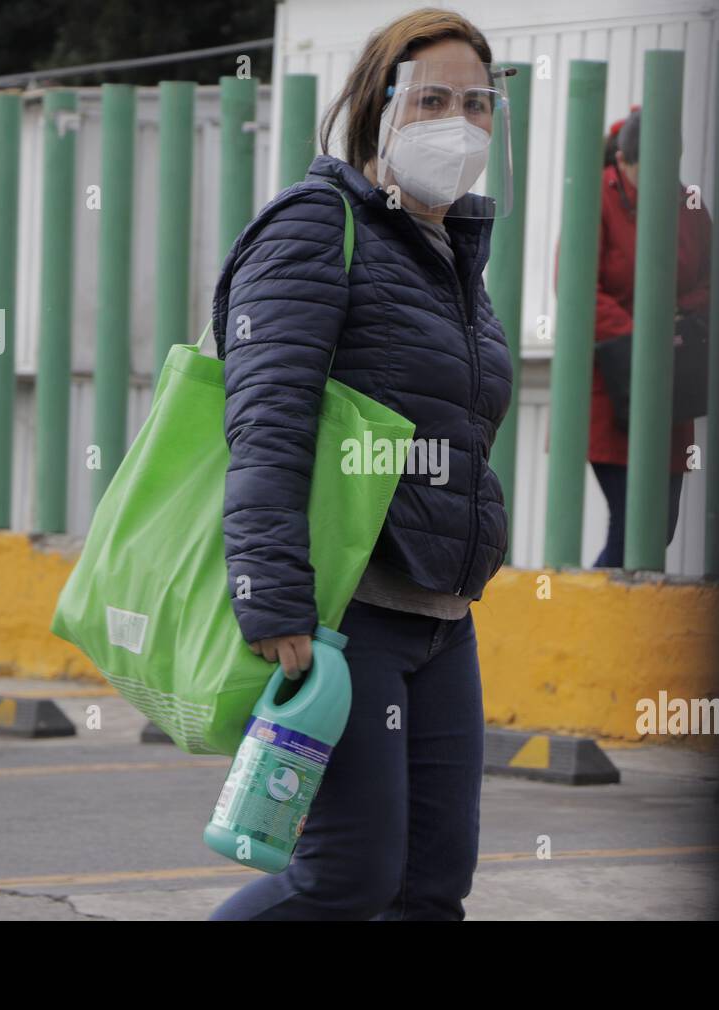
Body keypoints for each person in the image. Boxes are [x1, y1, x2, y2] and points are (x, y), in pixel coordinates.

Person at [206, 8, 514, 920]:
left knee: (431, 888)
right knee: (347, 877)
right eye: (430, 98)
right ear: (378, 109)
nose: (457, 119)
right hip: (347, 618)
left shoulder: (453, 256)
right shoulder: (318, 224)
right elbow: (267, 418)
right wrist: (272, 594)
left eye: (476, 102)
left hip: (441, 617)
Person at [586, 108, 712, 568]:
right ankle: (597, 631)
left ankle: (608, 626)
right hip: (613, 381)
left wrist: (679, 320)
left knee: (658, 528)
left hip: (670, 382)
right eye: (644, 174)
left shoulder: (690, 205)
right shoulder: (597, 195)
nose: (656, 185)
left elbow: (712, 278)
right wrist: (640, 332)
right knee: (631, 526)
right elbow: (580, 285)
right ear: (622, 161)